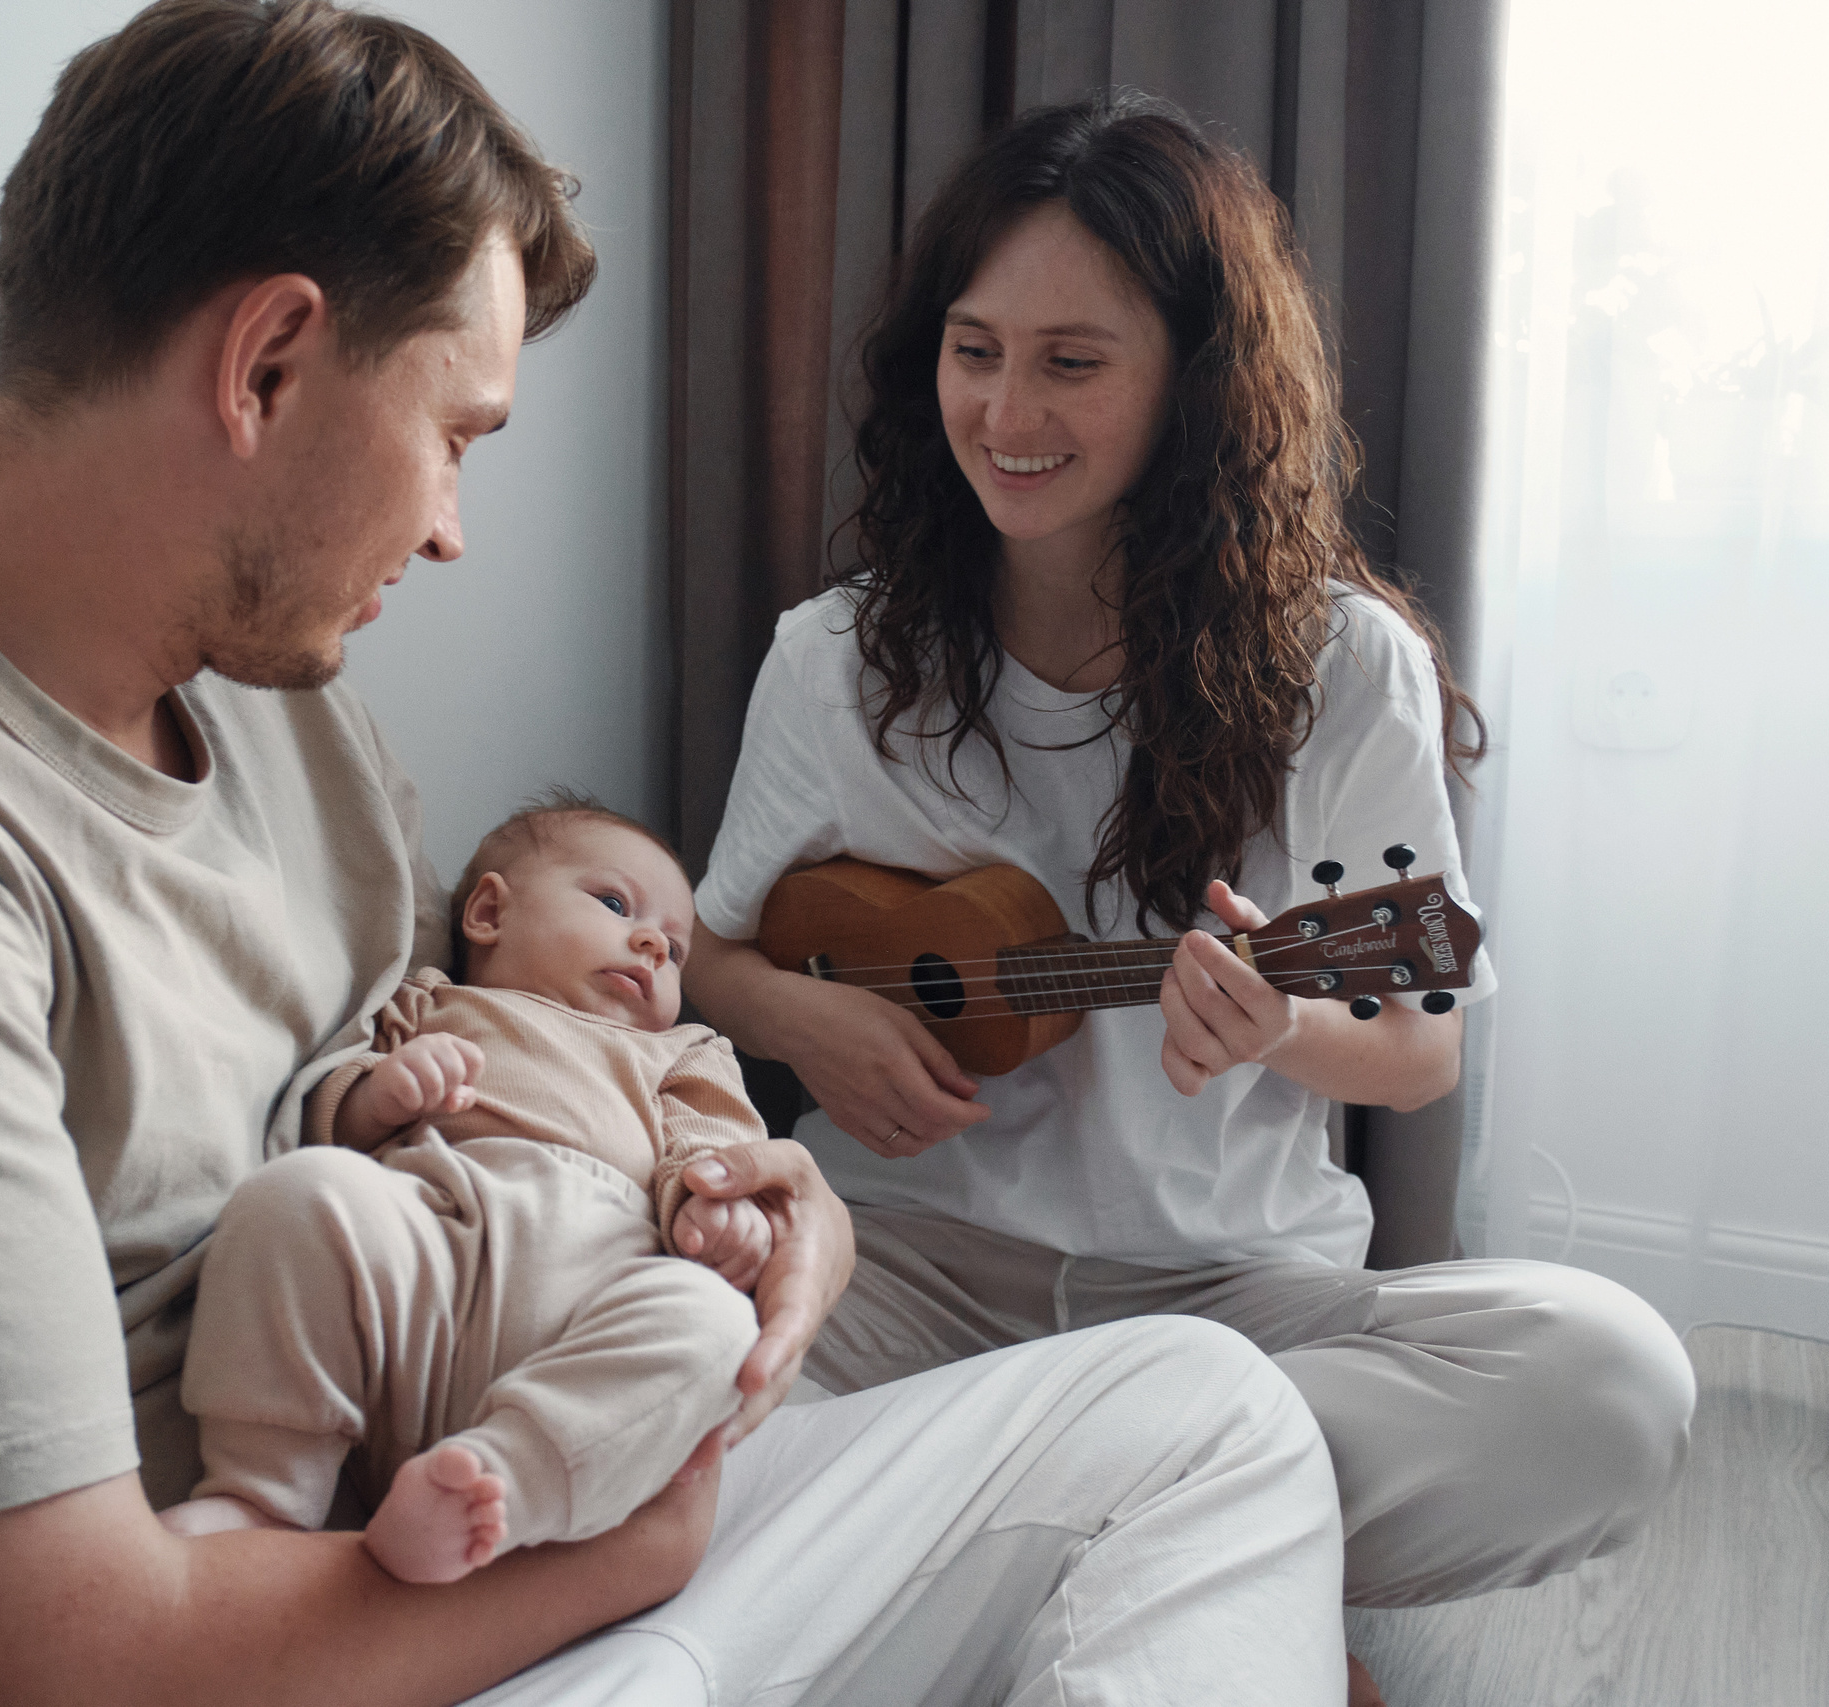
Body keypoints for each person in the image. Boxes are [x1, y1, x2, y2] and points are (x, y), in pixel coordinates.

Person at [0, 9, 1356, 1705]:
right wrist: (637, 1534)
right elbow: (36, 1671)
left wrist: (790, 1215)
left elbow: (504, 1104)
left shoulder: (283, 718)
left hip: (468, 1542)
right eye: (456, 434)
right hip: (304, 1637)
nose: (452, 528)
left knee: (1209, 1419)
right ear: (268, 363)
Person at [684, 92, 1699, 1622]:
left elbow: (1417, 1047)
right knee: (641, 1352)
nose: (1006, 414)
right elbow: (705, 949)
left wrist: (1280, 1023)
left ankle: (985, 1538)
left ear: (1196, 382)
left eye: (1072, 362)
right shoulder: (837, 660)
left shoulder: (1343, 667)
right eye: (975, 350)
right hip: (904, 1274)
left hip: (1231, 1304)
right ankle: (1182, 1558)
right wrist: (805, 1017)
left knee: (1610, 1381)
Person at [162, 798, 770, 1584]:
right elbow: (327, 1112)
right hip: (426, 1258)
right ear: (489, 912)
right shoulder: (430, 1002)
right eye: (616, 904)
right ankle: (263, 1493)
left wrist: (720, 1210)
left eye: (677, 949)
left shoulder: (683, 1050)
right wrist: (381, 1093)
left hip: (592, 1295)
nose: (655, 943)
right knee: (299, 1192)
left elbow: (719, 1149)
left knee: (719, 1327)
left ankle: (497, 1487)